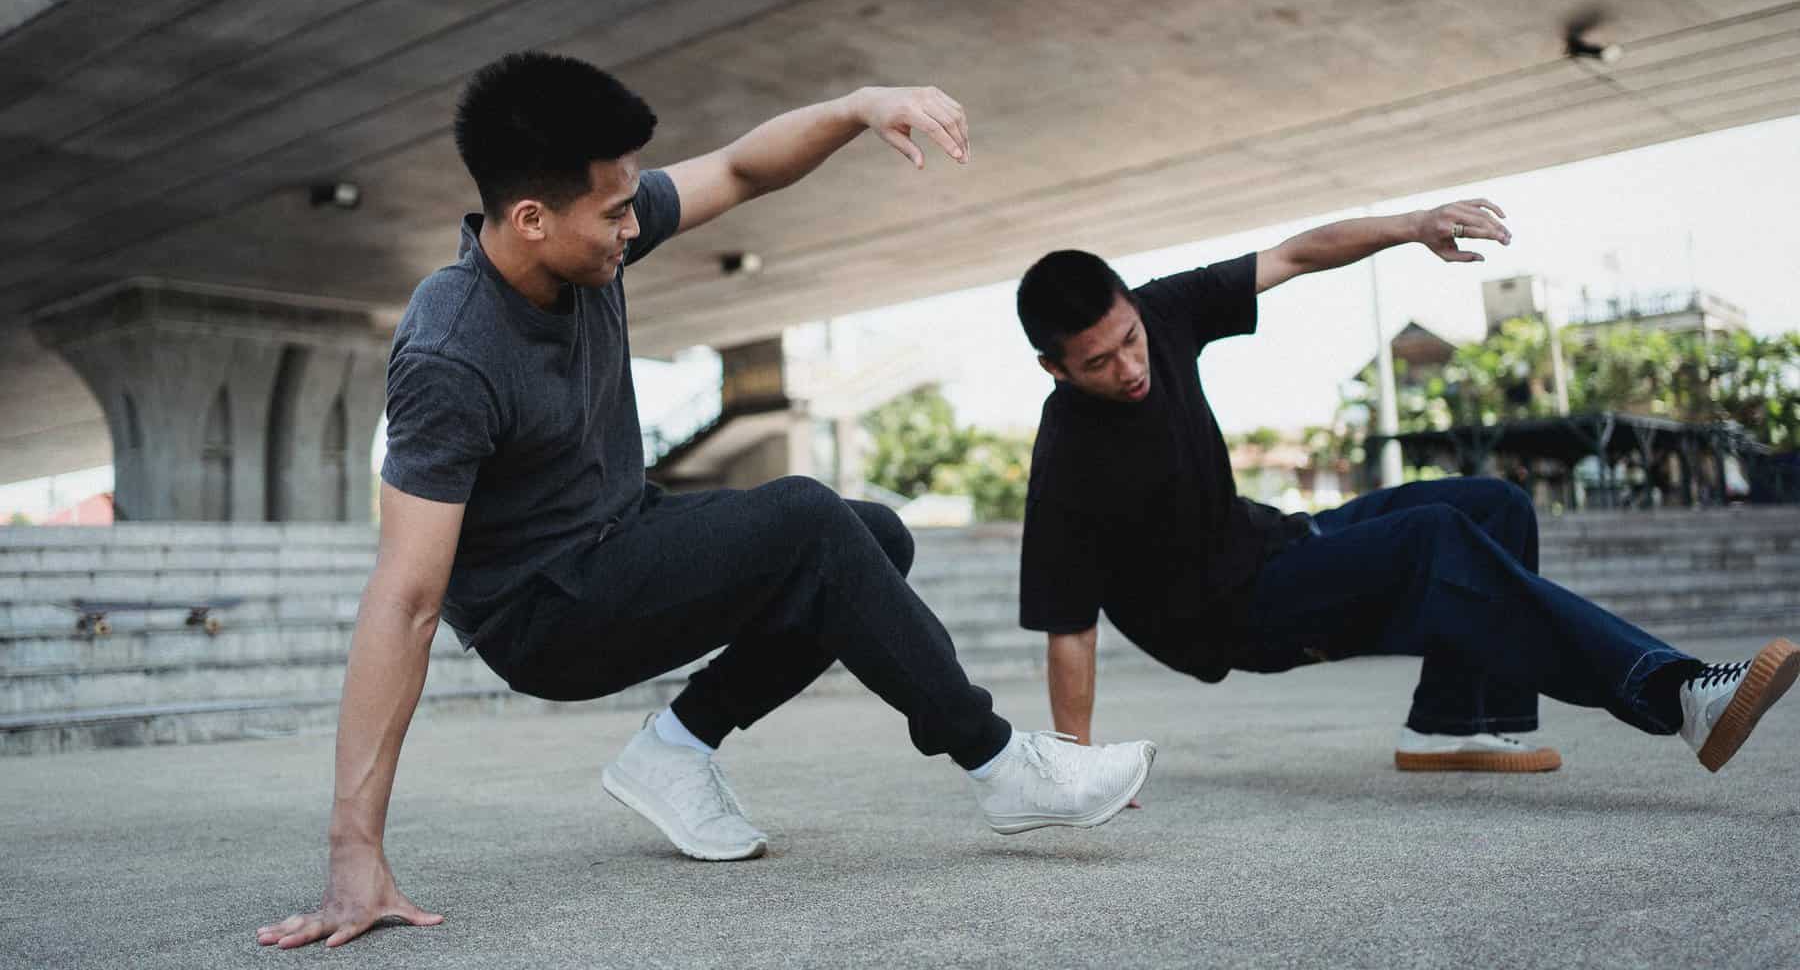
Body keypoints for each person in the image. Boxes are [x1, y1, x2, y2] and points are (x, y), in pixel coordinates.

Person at [257, 52, 1154, 951]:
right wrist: (352, 852)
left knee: (868, 533)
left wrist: (855, 105)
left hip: (626, 533)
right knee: (809, 516)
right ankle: (1000, 765)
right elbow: (405, 598)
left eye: (630, 205)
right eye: (614, 215)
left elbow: (737, 167)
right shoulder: (450, 351)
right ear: (531, 219)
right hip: (545, 618)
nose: (628, 230)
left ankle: (677, 749)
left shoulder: (587, 237)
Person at [1012, 201, 1796, 780]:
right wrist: (1079, 775)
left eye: (1130, 341)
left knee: (1493, 504)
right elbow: (1069, 631)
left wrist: (1412, 225)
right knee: (1433, 539)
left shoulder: (1161, 309)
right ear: (1056, 369)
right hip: (1227, 618)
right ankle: (1676, 693)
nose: (1130, 367)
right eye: (1099, 365)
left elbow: (1295, 253)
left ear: (1130, 307)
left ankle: (1459, 722)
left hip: (1277, 543)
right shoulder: (1068, 461)